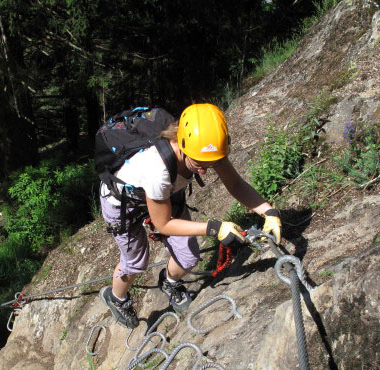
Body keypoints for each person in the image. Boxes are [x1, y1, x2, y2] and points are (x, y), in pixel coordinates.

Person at [99, 103, 282, 328]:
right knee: (136, 261)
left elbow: (235, 184)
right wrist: (214, 228)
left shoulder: (207, 149)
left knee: (188, 256)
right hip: (123, 203)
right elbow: (163, 224)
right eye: (198, 164)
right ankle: (116, 298)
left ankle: (169, 282)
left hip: (166, 192)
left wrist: (269, 212)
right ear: (182, 144)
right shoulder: (157, 169)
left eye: (210, 163)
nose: (204, 170)